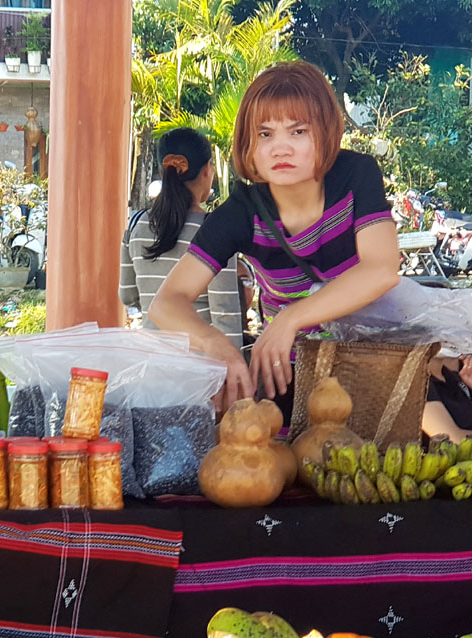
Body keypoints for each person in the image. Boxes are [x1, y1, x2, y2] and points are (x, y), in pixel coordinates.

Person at [149, 62, 400, 414]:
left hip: (375, 368)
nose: (280, 148)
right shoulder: (241, 213)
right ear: (248, 146)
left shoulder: (356, 175)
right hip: (289, 378)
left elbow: (382, 269)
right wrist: (214, 343)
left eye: (298, 132)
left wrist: (289, 318)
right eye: (265, 134)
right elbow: (166, 302)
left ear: (326, 132)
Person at [119, 128, 247, 349]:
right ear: (207, 170)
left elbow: (128, 295)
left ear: (161, 171)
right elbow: (225, 314)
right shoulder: (214, 230)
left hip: (151, 361)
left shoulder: (135, 225)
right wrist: (234, 369)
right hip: (200, 369)